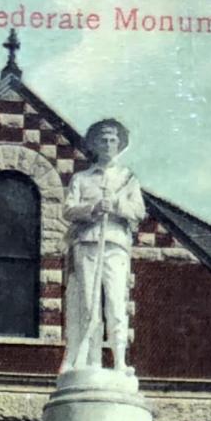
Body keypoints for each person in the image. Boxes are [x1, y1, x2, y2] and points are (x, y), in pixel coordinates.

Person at [61, 118, 145, 375]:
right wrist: (93, 208)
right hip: (87, 244)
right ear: (94, 145)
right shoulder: (81, 178)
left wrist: (117, 206)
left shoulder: (127, 178)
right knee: (89, 305)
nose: (108, 144)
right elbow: (68, 209)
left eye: (113, 140)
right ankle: (93, 361)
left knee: (116, 303)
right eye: (103, 140)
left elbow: (139, 211)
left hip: (115, 245)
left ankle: (120, 361)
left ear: (119, 145)